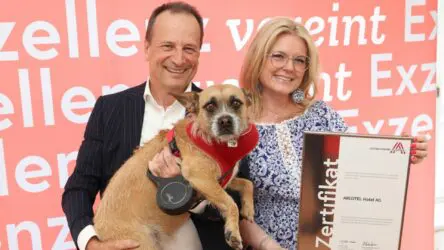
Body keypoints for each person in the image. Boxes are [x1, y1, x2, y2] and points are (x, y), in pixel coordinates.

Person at [150, 17, 429, 250]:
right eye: (279, 56)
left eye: (299, 60)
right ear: (260, 58)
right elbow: (225, 202)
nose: (289, 67)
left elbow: (360, 166)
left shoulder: (321, 114)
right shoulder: (236, 124)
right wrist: (268, 245)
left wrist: (400, 153)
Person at [62, 2, 242, 250]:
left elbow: (236, 201)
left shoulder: (223, 114)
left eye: (189, 48)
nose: (179, 59)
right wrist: (91, 243)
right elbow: (78, 188)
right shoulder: (110, 109)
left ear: (199, 53)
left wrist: (192, 190)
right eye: (167, 46)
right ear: (146, 48)